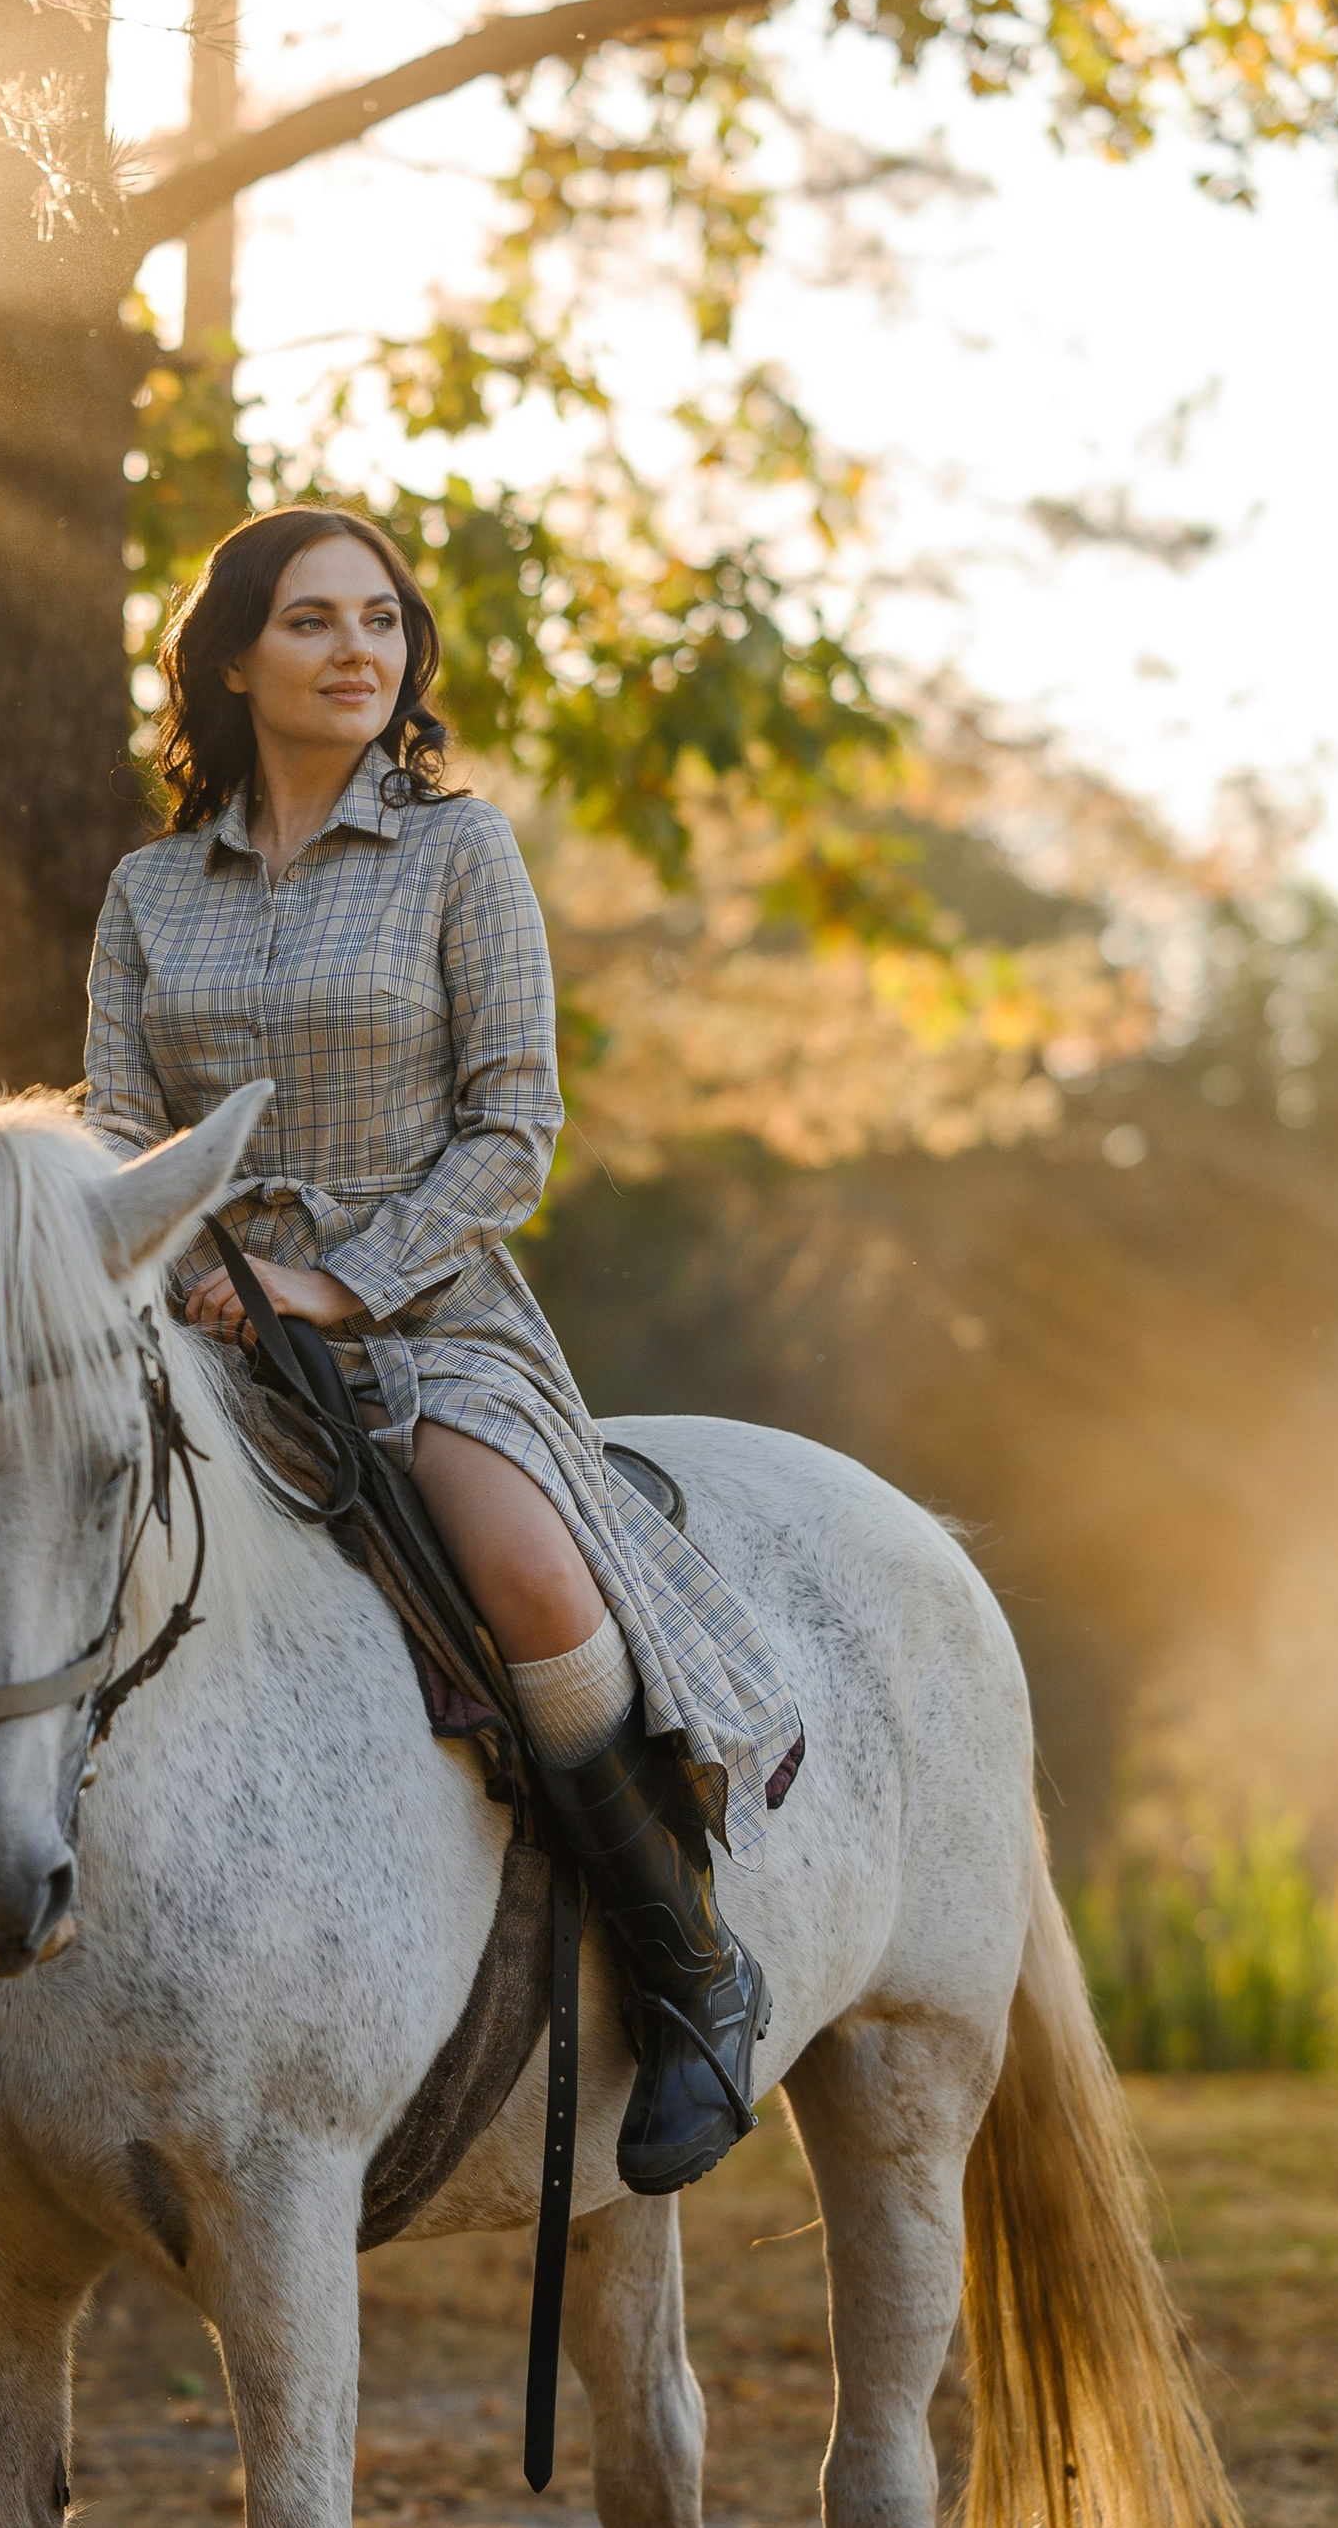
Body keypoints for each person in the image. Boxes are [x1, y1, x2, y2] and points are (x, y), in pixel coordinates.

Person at [83, 505, 801, 2193]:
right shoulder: (146, 891)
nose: (358, 651)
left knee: (532, 1583)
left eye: (384, 623)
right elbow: (120, 1124)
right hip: (192, 1320)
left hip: (428, 1322)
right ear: (236, 657)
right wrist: (189, 1270)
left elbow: (512, 1132)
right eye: (315, 621)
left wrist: (339, 1276)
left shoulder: (461, 855)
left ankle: (696, 1970)